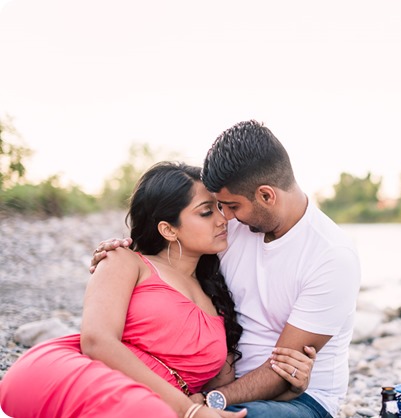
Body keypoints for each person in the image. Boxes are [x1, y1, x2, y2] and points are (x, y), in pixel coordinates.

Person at [91, 120, 362, 417]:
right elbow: (175, 244)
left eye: (231, 206)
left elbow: (282, 373)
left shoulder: (332, 257)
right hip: (214, 387)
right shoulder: (235, 226)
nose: (224, 217)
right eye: (217, 207)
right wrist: (125, 249)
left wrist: (206, 403)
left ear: (266, 195)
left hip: (300, 399)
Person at [0, 162, 313, 418]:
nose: (224, 219)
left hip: (150, 406)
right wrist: (187, 410)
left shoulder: (219, 301)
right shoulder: (126, 262)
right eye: (207, 212)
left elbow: (220, 392)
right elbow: (96, 341)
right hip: (75, 374)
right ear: (168, 229)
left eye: (221, 207)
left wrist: (291, 388)